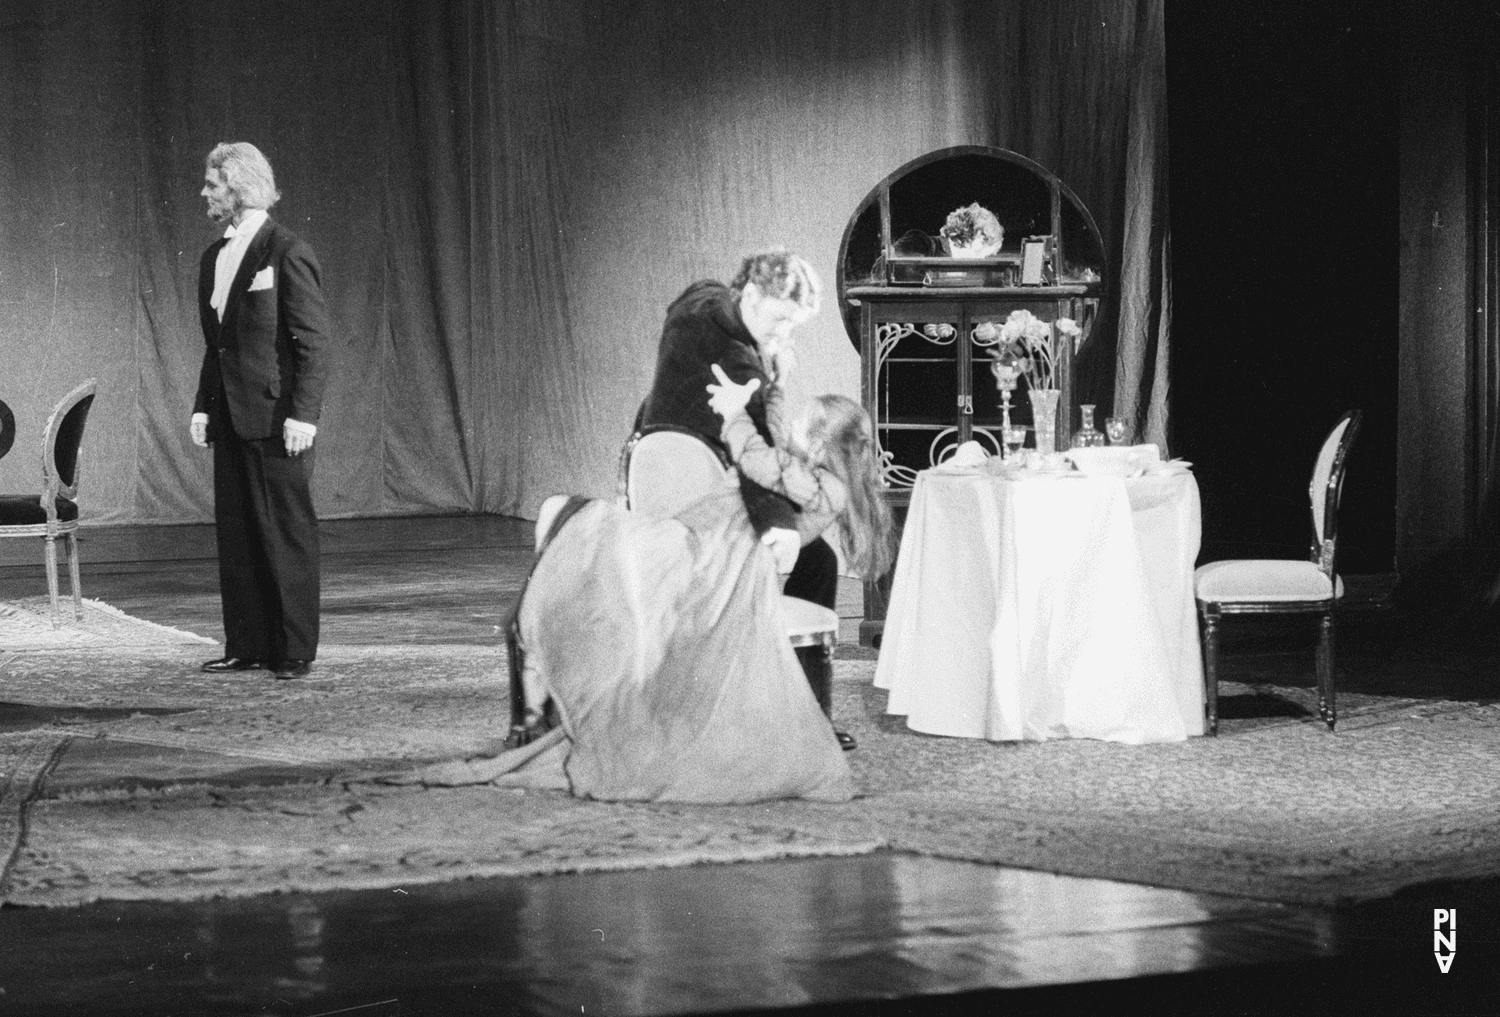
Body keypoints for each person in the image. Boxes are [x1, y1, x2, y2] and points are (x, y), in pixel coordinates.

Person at [412, 386, 893, 804]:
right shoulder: (824, 482)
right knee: (586, 533)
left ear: (823, 444)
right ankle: (541, 651)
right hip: (712, 547)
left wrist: (738, 412)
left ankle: (542, 642)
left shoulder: (816, 482)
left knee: (581, 527)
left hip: (712, 560)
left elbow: (752, 454)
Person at [190, 142, 336, 681]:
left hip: (277, 418)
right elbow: (218, 344)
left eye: (213, 184)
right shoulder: (213, 256)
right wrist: (203, 407)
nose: (205, 194)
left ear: (241, 186)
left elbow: (313, 342)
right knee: (239, 532)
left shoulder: (286, 250)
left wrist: (304, 415)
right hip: (229, 412)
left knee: (285, 531)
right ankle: (247, 644)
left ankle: (294, 648)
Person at [636, 249, 839, 611]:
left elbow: (691, 304)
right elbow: (761, 456)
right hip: (704, 495)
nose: (784, 334)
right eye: (779, 320)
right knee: (821, 560)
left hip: (649, 467)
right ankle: (789, 657)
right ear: (750, 296)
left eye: (792, 325)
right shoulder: (741, 369)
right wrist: (778, 380)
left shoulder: (698, 299)